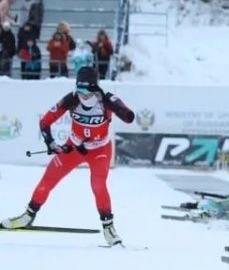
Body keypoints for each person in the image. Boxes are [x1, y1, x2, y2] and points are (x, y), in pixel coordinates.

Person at [0, 66, 135, 245]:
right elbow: (45, 121)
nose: (82, 96)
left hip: (100, 151)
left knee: (98, 185)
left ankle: (109, 228)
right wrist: (51, 143)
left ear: (95, 87)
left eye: (87, 92)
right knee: (48, 178)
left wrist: (116, 105)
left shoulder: (105, 100)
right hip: (74, 147)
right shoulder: (71, 99)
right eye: (79, 91)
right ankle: (28, 216)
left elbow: (129, 117)